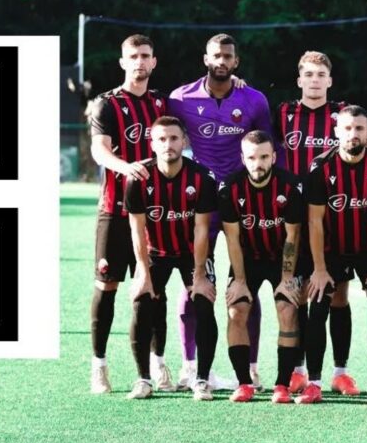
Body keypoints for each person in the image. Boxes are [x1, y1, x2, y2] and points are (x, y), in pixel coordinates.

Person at [168, 33, 273, 389]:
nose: (222, 61)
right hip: (200, 202)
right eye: (217, 55)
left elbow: (268, 149)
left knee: (248, 281)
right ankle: (190, 366)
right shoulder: (181, 98)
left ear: (236, 62)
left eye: (228, 56)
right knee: (195, 281)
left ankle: (252, 367)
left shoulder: (254, 99)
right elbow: (164, 138)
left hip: (245, 202)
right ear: (206, 59)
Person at [299, 106, 367, 405]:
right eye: (347, 128)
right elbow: (314, 221)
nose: (353, 134)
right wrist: (319, 269)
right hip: (330, 249)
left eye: (359, 129)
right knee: (319, 306)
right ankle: (314, 383)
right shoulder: (320, 167)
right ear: (336, 132)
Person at [86, 34, 169, 395]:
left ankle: (157, 364)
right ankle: (99, 366)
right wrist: (125, 167)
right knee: (107, 286)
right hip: (115, 211)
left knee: (153, 291)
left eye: (145, 55)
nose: (139, 61)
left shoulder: (162, 104)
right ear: (122, 62)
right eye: (132, 56)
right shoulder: (107, 104)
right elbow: (99, 151)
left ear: (154, 62)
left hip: (154, 213)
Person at [124, 116, 220, 400]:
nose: (168, 144)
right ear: (152, 144)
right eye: (162, 139)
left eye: (174, 138)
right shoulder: (138, 178)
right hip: (156, 252)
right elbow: (137, 230)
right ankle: (144, 379)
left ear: (184, 141)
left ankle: (201, 380)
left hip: (192, 253)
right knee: (142, 302)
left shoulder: (202, 177)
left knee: (204, 302)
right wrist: (143, 273)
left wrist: (200, 275)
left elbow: (202, 230)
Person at [272, 51, 347, 394]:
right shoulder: (283, 113)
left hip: (337, 216)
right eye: (309, 74)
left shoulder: (342, 114)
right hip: (295, 216)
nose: (314, 80)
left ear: (330, 80)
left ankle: (340, 372)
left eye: (320, 75)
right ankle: (299, 370)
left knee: (338, 296)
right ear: (299, 80)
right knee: (300, 294)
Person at [218, 131, 305, 403]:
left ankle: (282, 385)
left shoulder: (290, 186)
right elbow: (232, 238)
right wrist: (239, 280)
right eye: (252, 158)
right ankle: (244, 383)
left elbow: (292, 236)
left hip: (282, 258)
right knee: (236, 310)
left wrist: (287, 278)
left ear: (274, 157)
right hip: (247, 258)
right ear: (243, 159)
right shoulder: (229, 188)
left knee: (287, 309)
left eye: (264, 157)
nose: (258, 164)